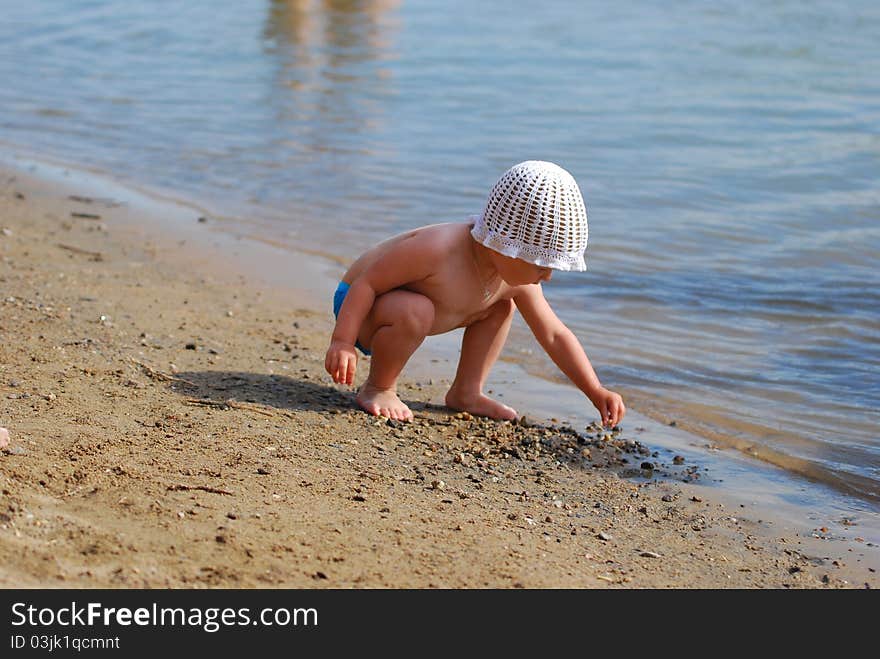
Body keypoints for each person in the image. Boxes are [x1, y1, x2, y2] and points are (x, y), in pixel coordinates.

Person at [325, 160, 626, 427]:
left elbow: (554, 335)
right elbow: (367, 283)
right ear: (508, 246)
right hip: (360, 307)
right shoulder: (438, 249)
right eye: (541, 265)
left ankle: (466, 392)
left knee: (500, 308)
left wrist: (595, 390)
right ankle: (378, 387)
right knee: (416, 310)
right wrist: (343, 341)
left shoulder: (517, 278)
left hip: (407, 313)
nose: (547, 275)